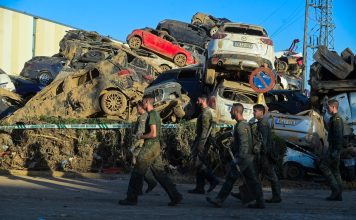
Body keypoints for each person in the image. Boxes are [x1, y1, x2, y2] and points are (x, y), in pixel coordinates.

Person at [119, 94, 182, 206]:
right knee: (160, 173)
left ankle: (131, 198)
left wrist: (141, 136)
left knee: (137, 171)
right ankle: (175, 196)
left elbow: (153, 133)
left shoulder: (152, 114)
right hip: (155, 146)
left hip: (151, 145)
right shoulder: (154, 114)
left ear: (147, 102)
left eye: (143, 101)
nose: (142, 104)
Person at [206, 103, 265, 209]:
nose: (230, 112)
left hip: (244, 158)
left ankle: (219, 200)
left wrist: (238, 159)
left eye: (231, 110)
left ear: (236, 112)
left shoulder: (241, 126)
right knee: (253, 181)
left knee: (231, 178)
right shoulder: (241, 124)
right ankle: (260, 202)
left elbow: (244, 144)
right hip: (248, 158)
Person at [188, 94, 219, 194]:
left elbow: (205, 130)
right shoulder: (204, 112)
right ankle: (199, 188)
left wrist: (201, 144)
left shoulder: (206, 113)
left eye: (198, 100)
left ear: (203, 100)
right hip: (202, 141)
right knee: (199, 164)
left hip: (203, 142)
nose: (197, 102)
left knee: (199, 164)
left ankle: (213, 180)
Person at [252, 104, 281, 203]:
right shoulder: (262, 122)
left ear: (261, 112)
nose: (253, 113)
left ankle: (277, 196)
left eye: (255, 111)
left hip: (264, 155)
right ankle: (248, 194)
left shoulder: (262, 124)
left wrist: (260, 153)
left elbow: (263, 141)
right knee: (254, 174)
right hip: (265, 154)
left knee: (270, 175)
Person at [130, 101, 157, 194]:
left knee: (137, 164)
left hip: (140, 143)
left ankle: (150, 181)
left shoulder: (144, 117)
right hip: (140, 142)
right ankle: (140, 188)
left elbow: (140, 132)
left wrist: (135, 144)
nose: (136, 109)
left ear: (141, 107)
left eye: (137, 107)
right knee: (138, 165)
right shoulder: (142, 116)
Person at [319, 99, 344, 201]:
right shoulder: (334, 118)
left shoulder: (336, 119)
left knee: (323, 166)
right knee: (335, 171)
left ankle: (336, 191)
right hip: (334, 149)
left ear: (333, 107)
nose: (327, 108)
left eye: (328, 107)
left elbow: (338, 137)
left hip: (334, 149)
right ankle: (338, 195)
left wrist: (335, 151)